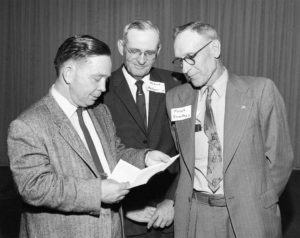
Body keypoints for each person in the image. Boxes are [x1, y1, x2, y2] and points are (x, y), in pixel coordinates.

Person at [7, 35, 171, 238]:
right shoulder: (28, 125)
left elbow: (114, 153)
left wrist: (144, 157)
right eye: (96, 78)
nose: (103, 88)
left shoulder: (100, 112)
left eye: (106, 80)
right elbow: (33, 186)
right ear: (68, 73)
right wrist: (97, 192)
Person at [166, 21, 294, 238]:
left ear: (214, 48)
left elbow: (280, 160)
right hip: (196, 216)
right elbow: (183, 159)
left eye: (190, 57)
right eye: (180, 61)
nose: (185, 68)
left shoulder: (260, 91)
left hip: (249, 215)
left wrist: (259, 200)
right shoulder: (176, 99)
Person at [102, 20, 183, 238]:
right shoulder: (101, 89)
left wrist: (172, 200)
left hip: (170, 215)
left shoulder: (177, 85)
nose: (141, 59)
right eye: (134, 51)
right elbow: (96, 155)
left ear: (159, 50)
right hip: (122, 214)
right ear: (121, 46)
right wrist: (125, 206)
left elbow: (190, 150)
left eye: (149, 53)